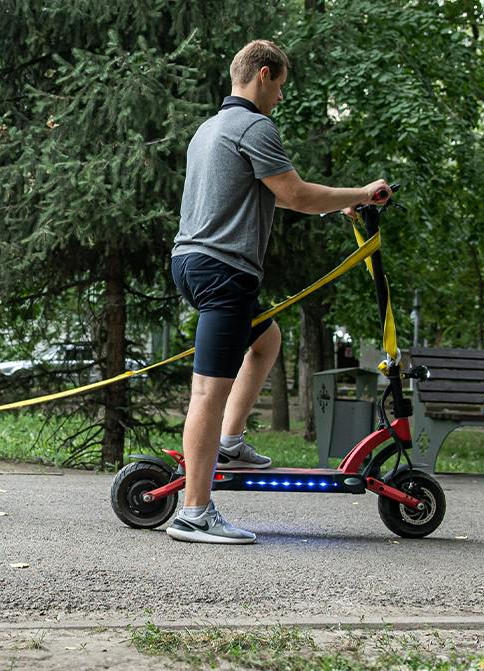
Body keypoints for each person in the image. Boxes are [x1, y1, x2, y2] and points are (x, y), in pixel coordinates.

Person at [167, 41, 390, 543]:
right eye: (281, 87)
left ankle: (229, 441)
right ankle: (194, 513)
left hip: (192, 262)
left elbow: (279, 194)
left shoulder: (209, 130)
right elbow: (295, 193)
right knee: (207, 391)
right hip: (224, 271)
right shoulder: (254, 125)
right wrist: (362, 193)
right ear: (264, 75)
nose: (281, 98)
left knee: (266, 341)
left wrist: (338, 206)